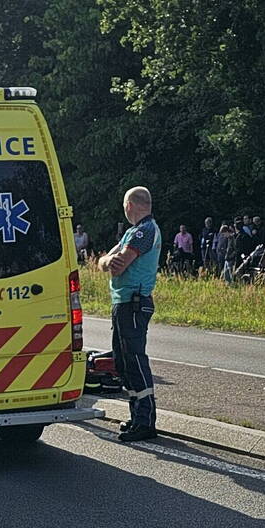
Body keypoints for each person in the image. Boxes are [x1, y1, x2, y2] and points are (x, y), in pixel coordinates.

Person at [97, 186, 160, 442]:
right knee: (123, 363)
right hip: (123, 302)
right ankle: (137, 417)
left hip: (134, 303)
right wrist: (107, 261)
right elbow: (103, 261)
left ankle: (145, 421)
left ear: (130, 206)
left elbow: (116, 266)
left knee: (134, 361)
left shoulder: (144, 231)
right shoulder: (133, 233)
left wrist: (109, 261)